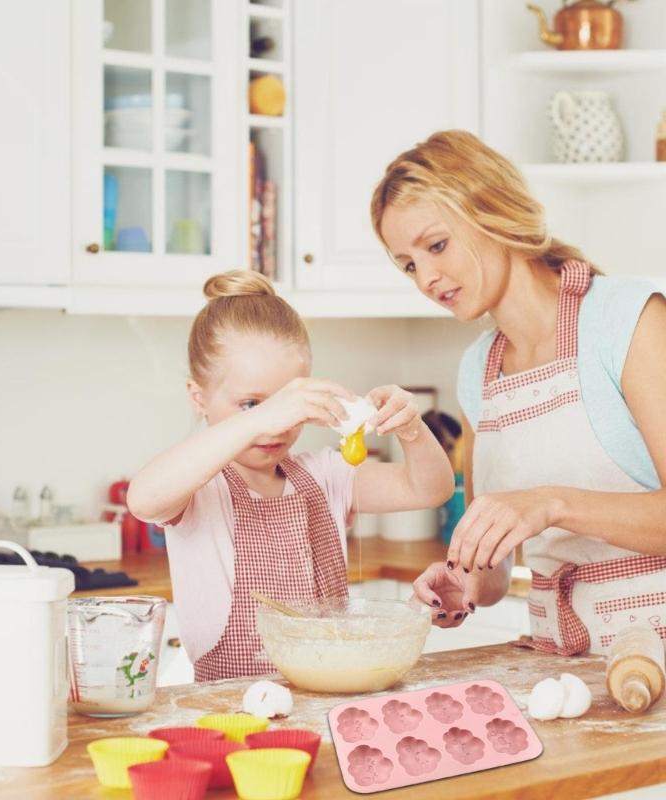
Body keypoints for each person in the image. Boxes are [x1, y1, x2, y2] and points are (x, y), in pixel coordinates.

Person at [370, 129, 666, 656]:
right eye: (409, 265)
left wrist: (550, 504)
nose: (427, 278)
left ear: (493, 211)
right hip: (560, 667)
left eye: (436, 246)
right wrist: (463, 584)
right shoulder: (477, 369)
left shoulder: (630, 318)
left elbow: (543, 509)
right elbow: (494, 574)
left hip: (655, 659)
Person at [127, 270, 453, 680]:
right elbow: (143, 499)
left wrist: (411, 428)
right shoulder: (200, 488)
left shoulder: (325, 474)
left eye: (287, 404)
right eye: (251, 404)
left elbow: (430, 488)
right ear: (199, 397)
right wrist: (264, 417)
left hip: (327, 691)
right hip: (232, 706)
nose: (276, 427)